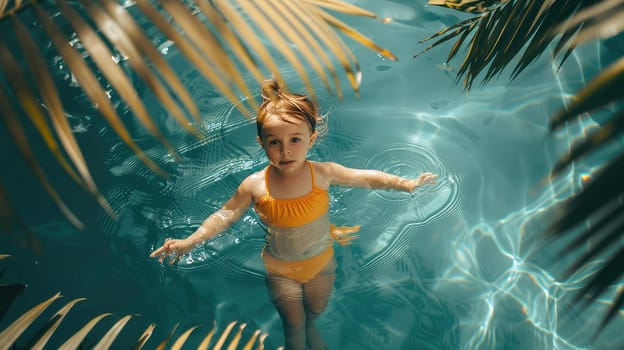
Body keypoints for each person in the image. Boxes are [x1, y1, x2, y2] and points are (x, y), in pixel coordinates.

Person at [150, 79, 437, 350]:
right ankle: (299, 338)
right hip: (280, 269)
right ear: (261, 143)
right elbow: (226, 214)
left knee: (314, 310)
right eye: (274, 142)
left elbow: (366, 177)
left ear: (311, 139)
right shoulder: (254, 185)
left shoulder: (323, 173)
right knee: (292, 322)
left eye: (295, 140)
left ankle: (312, 327)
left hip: (322, 261)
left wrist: (406, 184)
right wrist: (192, 241)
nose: (285, 151)